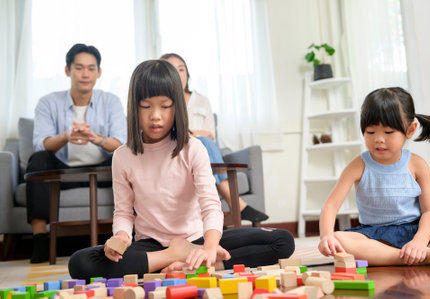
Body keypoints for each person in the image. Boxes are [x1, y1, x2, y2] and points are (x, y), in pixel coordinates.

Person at [68, 59, 294, 280]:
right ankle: (173, 258)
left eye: (165, 106)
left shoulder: (192, 148)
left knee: (282, 240)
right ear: (134, 107)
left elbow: (210, 205)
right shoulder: (123, 156)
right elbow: (124, 212)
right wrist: (121, 237)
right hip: (151, 245)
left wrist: (209, 247)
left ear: (177, 107)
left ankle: (196, 263)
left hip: (197, 239)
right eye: (146, 106)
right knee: (81, 262)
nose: (155, 115)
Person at [318, 87, 430, 266]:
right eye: (370, 132)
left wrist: (419, 240)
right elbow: (331, 206)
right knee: (339, 240)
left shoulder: (417, 165)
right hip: (376, 236)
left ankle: (418, 250)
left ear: (410, 130)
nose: (378, 139)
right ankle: (420, 257)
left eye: (388, 132)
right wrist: (326, 236)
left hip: (416, 229)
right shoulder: (358, 165)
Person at [27, 44, 127, 263]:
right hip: (63, 173)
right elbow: (39, 144)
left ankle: (132, 236)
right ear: (67, 70)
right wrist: (65, 136)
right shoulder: (47, 102)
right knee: (38, 159)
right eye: (79, 68)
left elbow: (122, 143)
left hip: (102, 170)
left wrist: (96, 138)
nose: (85, 74)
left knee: (129, 159)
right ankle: (39, 239)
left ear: (99, 73)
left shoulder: (111, 101)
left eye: (91, 68)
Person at [160, 53, 269, 223]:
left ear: (187, 74)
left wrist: (193, 134)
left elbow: (210, 134)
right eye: (172, 70)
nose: (178, 74)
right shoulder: (162, 102)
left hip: (203, 153)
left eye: (181, 69)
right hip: (177, 153)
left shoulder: (202, 101)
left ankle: (230, 202)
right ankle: (236, 202)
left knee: (205, 142)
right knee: (202, 141)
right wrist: (196, 134)